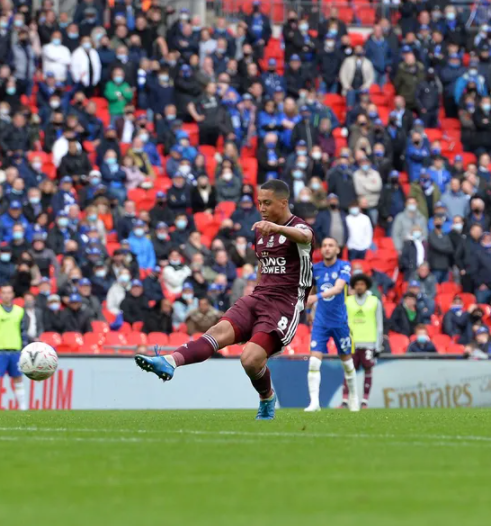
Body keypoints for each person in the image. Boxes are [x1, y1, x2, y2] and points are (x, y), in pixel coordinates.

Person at [135, 179, 313, 420]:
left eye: (267, 203)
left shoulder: (296, 227)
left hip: (285, 304)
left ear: (284, 203)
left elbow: (306, 237)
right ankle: (169, 361)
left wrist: (280, 230)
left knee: (249, 360)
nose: (261, 208)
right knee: (218, 331)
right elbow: (263, 265)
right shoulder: (262, 230)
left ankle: (267, 397)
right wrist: (255, 291)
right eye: (259, 202)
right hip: (258, 297)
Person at [304, 237, 358, 412]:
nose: (327, 248)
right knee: (313, 362)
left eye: (331, 245)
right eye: (324, 245)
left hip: (340, 322)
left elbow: (337, 288)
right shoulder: (315, 269)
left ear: (337, 249)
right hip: (321, 322)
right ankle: (314, 403)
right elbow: (311, 291)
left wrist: (315, 298)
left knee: (347, 362)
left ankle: (353, 396)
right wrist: (309, 311)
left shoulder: (344, 266)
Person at [343, 274, 383, 409]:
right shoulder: (347, 301)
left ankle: (365, 401)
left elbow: (379, 324)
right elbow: (343, 322)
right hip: (352, 343)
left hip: (369, 342)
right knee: (348, 370)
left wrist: (378, 345)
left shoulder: (374, 301)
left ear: (366, 286)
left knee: (368, 370)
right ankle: (345, 400)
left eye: (362, 284)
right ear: (354, 286)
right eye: (357, 284)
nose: (359, 287)